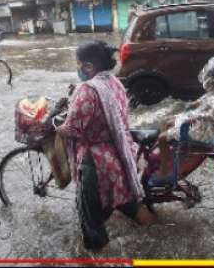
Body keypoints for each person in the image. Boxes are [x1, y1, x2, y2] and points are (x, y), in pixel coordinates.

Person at [55, 40, 153, 250]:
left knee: (91, 223)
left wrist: (56, 126)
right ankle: (158, 236)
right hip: (120, 158)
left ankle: (99, 258)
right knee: (130, 204)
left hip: (96, 164)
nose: (78, 68)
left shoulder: (88, 90)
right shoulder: (114, 82)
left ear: (89, 66)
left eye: (79, 64)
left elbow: (73, 129)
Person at [151, 55, 214, 184]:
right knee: (168, 122)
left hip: (203, 130)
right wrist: (193, 105)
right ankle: (171, 156)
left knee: (162, 138)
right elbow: (201, 100)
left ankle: (164, 172)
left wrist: (198, 116)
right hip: (207, 127)